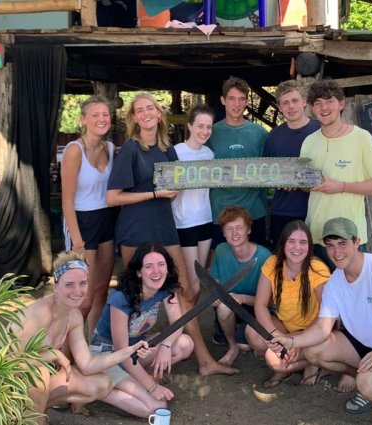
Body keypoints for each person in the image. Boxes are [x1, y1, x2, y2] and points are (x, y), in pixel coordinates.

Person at [107, 94, 238, 377]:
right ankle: (123, 358)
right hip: (136, 230)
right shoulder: (130, 149)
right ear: (133, 117)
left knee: (186, 290)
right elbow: (112, 197)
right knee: (134, 296)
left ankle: (202, 360)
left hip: (165, 227)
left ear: (158, 113)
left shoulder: (167, 150)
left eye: (150, 108)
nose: (146, 113)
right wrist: (154, 194)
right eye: (139, 110)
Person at [268, 218, 372, 425]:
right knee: (313, 351)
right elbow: (322, 328)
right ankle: (371, 384)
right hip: (364, 344)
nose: (337, 252)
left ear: (357, 242)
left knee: (368, 385)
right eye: (330, 246)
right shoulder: (335, 282)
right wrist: (291, 341)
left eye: (343, 243)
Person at [12, 251, 153, 424]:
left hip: (36, 383)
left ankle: (31, 414)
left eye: (83, 283)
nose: (77, 291)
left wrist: (128, 351)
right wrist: (53, 354)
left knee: (102, 383)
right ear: (56, 286)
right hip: (7, 384)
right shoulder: (40, 314)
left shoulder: (74, 316)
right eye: (69, 284)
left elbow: (87, 365)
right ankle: (32, 418)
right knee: (39, 372)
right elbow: (12, 362)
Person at [299, 80, 372, 268]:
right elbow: (307, 186)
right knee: (321, 296)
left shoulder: (361, 138)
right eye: (317, 103)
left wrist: (341, 186)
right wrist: (299, 183)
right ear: (312, 109)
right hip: (315, 235)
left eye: (329, 101)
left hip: (347, 237)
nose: (324, 108)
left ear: (341, 104)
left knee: (353, 292)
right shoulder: (309, 141)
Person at [93, 243, 194, 403]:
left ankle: (138, 380)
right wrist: (152, 388)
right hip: (108, 354)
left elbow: (177, 322)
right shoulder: (121, 298)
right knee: (157, 407)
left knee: (184, 344)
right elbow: (122, 352)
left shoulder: (166, 288)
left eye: (161, 265)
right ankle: (98, 390)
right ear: (139, 272)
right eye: (149, 266)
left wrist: (166, 347)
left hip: (136, 350)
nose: (156, 271)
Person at [244, 219, 330, 388]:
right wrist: (274, 334)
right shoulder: (272, 264)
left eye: (303, 242)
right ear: (283, 243)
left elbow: (325, 313)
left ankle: (314, 363)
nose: (297, 247)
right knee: (251, 332)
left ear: (309, 246)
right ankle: (294, 365)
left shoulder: (318, 269)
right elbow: (260, 305)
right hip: (284, 326)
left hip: (312, 331)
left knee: (274, 361)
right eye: (291, 241)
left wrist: (299, 340)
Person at [60, 95, 118, 336]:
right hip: (82, 222)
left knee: (102, 289)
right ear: (83, 119)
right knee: (83, 296)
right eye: (95, 115)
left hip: (107, 220)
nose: (101, 119)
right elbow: (66, 200)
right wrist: (77, 240)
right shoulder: (74, 151)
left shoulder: (111, 148)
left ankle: (92, 342)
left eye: (105, 115)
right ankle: (67, 345)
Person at [207, 76, 269, 248]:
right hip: (220, 212)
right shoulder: (210, 133)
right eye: (232, 99)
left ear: (247, 102)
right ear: (223, 100)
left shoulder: (260, 133)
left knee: (257, 264)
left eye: (242, 99)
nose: (237, 104)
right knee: (222, 262)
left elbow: (270, 172)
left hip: (253, 212)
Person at [210, 205, 271, 366]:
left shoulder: (265, 257)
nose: (234, 233)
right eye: (229, 229)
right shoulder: (221, 251)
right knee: (223, 307)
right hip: (232, 305)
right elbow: (215, 284)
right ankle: (232, 347)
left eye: (239, 228)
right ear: (223, 233)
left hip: (258, 307)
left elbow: (272, 301)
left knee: (245, 345)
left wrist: (242, 298)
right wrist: (215, 297)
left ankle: (244, 337)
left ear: (248, 230)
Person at [263, 80, 320, 246]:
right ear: (279, 107)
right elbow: (266, 173)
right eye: (285, 103)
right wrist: (280, 180)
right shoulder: (273, 137)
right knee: (283, 263)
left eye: (295, 101)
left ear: (304, 102)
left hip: (315, 209)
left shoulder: (320, 130)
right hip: (283, 210)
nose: (291, 106)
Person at [172, 104, 215, 305]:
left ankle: (188, 326)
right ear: (190, 126)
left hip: (205, 220)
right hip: (184, 222)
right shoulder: (175, 153)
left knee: (198, 281)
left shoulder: (209, 154)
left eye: (209, 127)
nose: (204, 131)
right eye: (200, 126)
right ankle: (185, 328)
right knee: (192, 284)